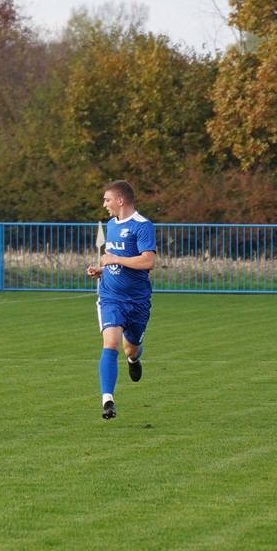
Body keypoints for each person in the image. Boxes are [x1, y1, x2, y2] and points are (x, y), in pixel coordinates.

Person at [85, 179, 156, 420]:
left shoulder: (142, 226)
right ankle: (108, 401)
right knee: (110, 344)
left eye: (107, 200)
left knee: (130, 347)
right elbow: (116, 262)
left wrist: (114, 260)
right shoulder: (111, 225)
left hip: (137, 300)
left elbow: (148, 262)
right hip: (110, 296)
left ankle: (134, 358)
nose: (105, 204)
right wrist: (102, 270)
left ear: (120, 200)